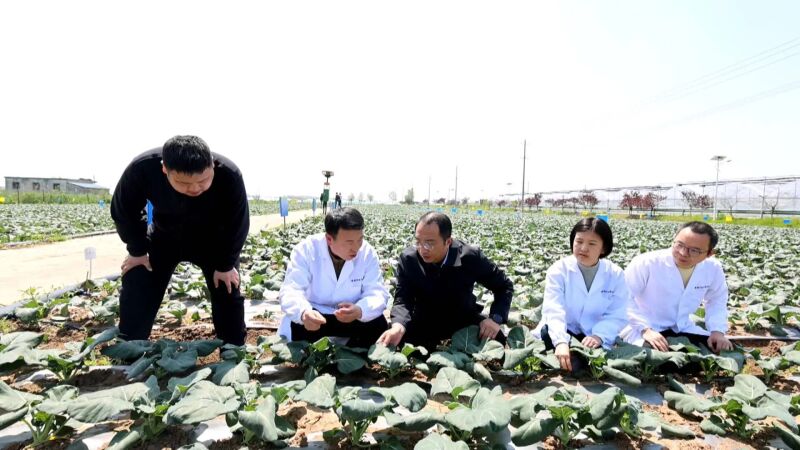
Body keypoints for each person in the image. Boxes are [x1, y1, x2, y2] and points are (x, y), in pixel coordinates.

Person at [111, 135, 249, 345]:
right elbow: (124, 210)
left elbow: (237, 222)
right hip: (165, 237)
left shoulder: (230, 174)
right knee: (138, 278)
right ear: (164, 169)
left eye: (203, 181)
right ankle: (130, 347)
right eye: (183, 183)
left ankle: (233, 349)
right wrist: (137, 251)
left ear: (212, 165)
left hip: (213, 241)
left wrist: (226, 264)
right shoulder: (142, 169)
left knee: (227, 286)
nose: (195, 188)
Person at [377, 212, 513, 350]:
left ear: (448, 242)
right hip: (424, 320)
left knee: (496, 339)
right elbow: (403, 299)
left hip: (462, 319)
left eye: (429, 243)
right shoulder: (409, 259)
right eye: (418, 241)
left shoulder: (469, 257)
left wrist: (495, 319)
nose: (422, 249)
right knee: (394, 339)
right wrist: (398, 325)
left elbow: (504, 286)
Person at [278, 207, 390, 347]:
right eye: (349, 242)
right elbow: (291, 290)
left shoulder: (367, 253)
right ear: (329, 239)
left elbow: (377, 292)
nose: (356, 248)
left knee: (379, 324)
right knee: (297, 325)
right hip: (317, 316)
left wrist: (360, 310)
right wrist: (304, 313)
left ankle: (351, 353)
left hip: (351, 317)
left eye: (360, 240)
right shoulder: (306, 249)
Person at [621, 221, 733, 353]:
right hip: (644, 327)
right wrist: (645, 329)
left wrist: (717, 331)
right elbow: (622, 298)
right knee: (658, 356)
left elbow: (717, 300)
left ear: (709, 253)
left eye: (694, 250)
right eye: (679, 245)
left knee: (722, 350)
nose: (683, 253)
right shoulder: (646, 262)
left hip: (682, 328)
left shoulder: (712, 268)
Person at [533, 217, 630, 371]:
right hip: (561, 329)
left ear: (603, 248)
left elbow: (618, 314)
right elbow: (554, 309)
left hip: (593, 335)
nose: (583, 248)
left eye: (592, 244)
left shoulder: (615, 274)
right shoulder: (558, 270)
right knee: (567, 360)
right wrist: (561, 342)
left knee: (586, 364)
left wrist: (599, 336)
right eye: (579, 241)